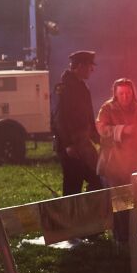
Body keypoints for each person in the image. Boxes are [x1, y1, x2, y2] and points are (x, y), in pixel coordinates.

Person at [96, 78, 137, 242]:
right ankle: (122, 237)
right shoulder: (107, 108)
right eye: (121, 93)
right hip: (114, 163)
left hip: (134, 162)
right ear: (116, 94)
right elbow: (102, 129)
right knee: (121, 201)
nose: (125, 97)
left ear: (132, 94)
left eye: (128, 93)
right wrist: (123, 130)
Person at [52, 50, 101, 196]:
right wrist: (68, 145)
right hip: (71, 146)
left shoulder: (82, 87)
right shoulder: (63, 88)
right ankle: (71, 216)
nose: (92, 70)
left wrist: (97, 138)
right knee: (73, 186)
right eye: (89, 66)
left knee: (98, 179)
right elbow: (59, 119)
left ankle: (88, 211)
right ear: (80, 66)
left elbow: (88, 116)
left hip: (83, 143)